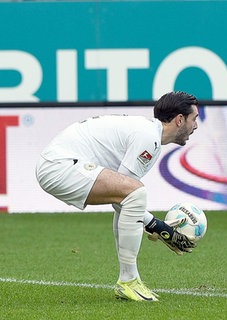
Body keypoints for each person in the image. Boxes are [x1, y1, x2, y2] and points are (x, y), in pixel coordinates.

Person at [35, 91, 200, 301]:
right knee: (135, 192)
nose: (195, 126)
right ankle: (128, 281)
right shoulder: (148, 137)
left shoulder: (149, 134)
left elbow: (123, 199)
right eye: (194, 119)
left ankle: (129, 280)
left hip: (57, 164)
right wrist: (158, 226)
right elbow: (128, 194)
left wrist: (157, 226)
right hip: (60, 165)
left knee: (131, 195)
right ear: (179, 120)